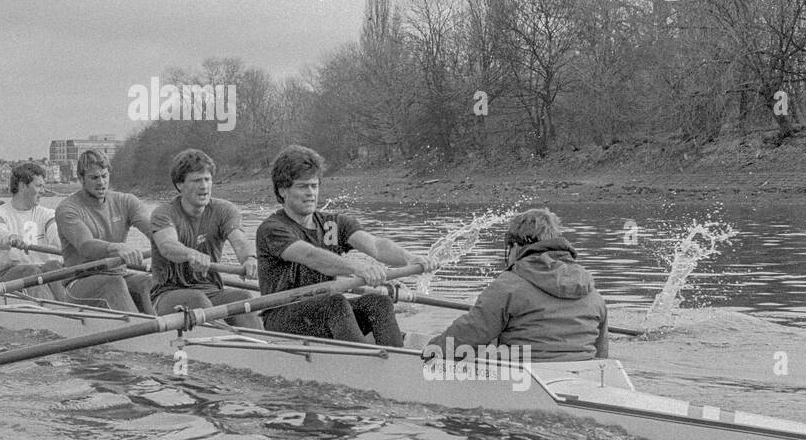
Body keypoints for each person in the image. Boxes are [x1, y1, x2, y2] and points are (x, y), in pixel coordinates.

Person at [256, 145, 429, 346]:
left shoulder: (333, 224)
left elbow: (376, 246)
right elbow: (310, 256)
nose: (311, 193)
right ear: (283, 190)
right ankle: (361, 366)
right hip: (282, 318)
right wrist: (357, 268)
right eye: (303, 186)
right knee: (336, 303)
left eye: (315, 186)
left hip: (323, 313)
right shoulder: (272, 229)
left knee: (379, 303)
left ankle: (396, 362)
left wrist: (410, 258)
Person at [423, 208, 609, 362]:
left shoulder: (507, 286)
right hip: (583, 376)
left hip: (522, 379)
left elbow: (470, 333)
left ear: (516, 247)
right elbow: (602, 354)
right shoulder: (593, 293)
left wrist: (432, 349)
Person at [148, 149, 261, 329]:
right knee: (196, 299)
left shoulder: (224, 210)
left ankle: (262, 348)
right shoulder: (164, 213)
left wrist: (249, 259)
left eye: (207, 179)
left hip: (211, 290)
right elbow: (167, 245)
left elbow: (239, 240)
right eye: (196, 180)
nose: (204, 186)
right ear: (179, 185)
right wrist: (190, 253)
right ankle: (228, 344)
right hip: (168, 294)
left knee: (243, 297)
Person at [55, 149, 154, 313]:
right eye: (94, 177)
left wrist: (173, 244)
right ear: (81, 179)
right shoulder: (67, 208)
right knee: (113, 283)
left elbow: (154, 231)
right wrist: (117, 247)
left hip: (119, 274)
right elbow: (85, 245)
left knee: (149, 282)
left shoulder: (126, 201)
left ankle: (163, 330)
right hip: (80, 281)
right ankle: (139, 331)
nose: (101, 182)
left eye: (104, 176)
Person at [0, 161, 67, 301]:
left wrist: (68, 245)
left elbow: (56, 232)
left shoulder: (47, 214)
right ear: (22, 186)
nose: (43, 191)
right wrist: (10, 238)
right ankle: (53, 311)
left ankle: (68, 306)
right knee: (31, 271)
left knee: (54, 266)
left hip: (43, 272)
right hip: (7, 275)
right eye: (39, 186)